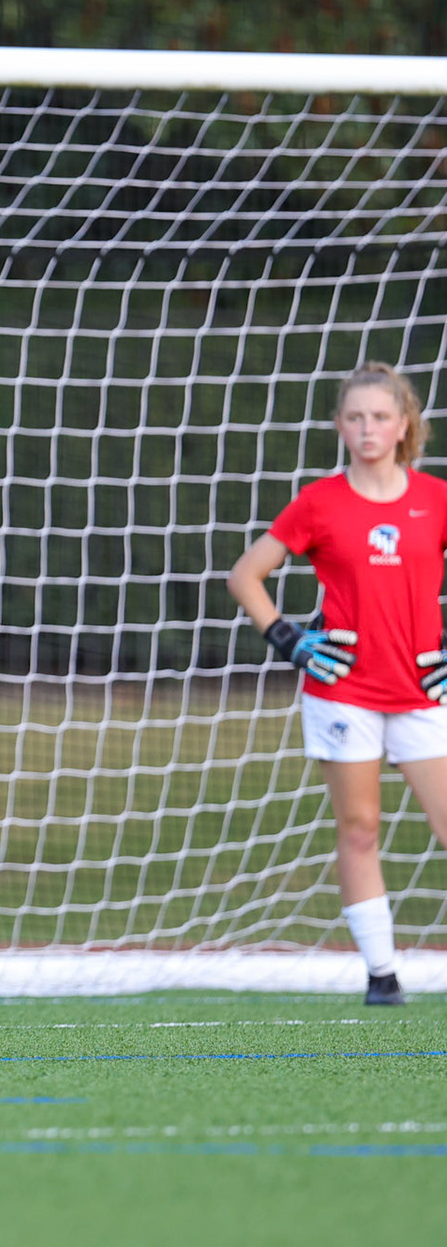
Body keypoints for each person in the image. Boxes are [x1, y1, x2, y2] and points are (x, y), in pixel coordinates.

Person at [228, 362, 447, 1007]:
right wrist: (289, 640)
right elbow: (246, 575)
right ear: (340, 427)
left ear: (404, 423)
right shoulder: (319, 502)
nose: (367, 428)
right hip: (343, 690)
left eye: (380, 416)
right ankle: (382, 977)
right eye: (355, 418)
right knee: (358, 827)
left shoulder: (434, 499)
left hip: (421, 691)